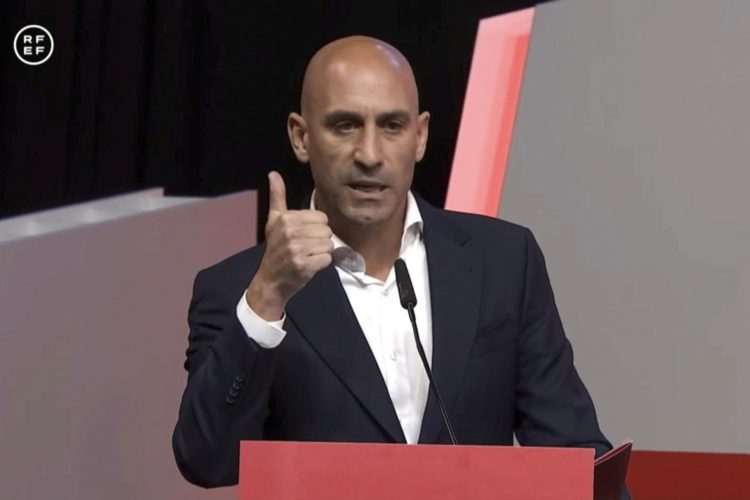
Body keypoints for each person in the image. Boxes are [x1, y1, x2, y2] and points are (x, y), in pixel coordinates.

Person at [172, 35, 612, 488]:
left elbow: (573, 450)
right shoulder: (237, 290)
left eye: (391, 126)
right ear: (301, 138)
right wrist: (268, 297)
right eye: (345, 126)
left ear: (419, 136)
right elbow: (208, 463)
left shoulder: (504, 261)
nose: (370, 154)